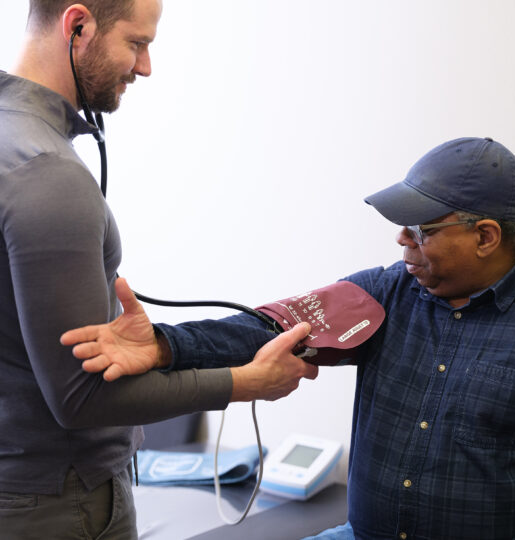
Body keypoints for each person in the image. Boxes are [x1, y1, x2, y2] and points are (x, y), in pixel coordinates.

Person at [63, 137, 515, 539]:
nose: (400, 241)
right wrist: (163, 346)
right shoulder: (382, 297)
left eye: (421, 229)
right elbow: (263, 330)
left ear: (486, 236)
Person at [0, 1, 317, 538]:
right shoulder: (49, 173)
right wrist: (248, 382)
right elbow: (80, 399)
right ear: (77, 25)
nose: (144, 67)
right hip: (58, 502)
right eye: (137, 43)